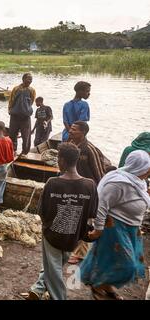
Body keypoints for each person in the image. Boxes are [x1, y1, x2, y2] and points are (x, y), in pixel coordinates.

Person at [27, 143, 99, 300]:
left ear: (63, 161)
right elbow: (91, 213)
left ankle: (58, 297)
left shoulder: (52, 183)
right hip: (74, 236)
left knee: (53, 268)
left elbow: (42, 212)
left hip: (52, 234)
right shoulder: (90, 185)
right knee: (55, 265)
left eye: (58, 158)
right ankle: (38, 289)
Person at [80, 150, 150, 300]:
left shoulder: (139, 181)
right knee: (128, 266)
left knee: (108, 259)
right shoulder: (118, 182)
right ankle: (99, 284)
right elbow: (101, 206)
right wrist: (98, 230)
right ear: (141, 167)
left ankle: (105, 285)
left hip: (131, 228)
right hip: (115, 228)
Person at [67, 121, 111, 264]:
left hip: (88, 190)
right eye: (71, 128)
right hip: (73, 188)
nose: (70, 131)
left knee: (85, 221)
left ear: (83, 133)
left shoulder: (89, 150)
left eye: (74, 130)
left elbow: (99, 174)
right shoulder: (70, 144)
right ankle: (74, 245)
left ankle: (81, 254)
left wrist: (98, 195)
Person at [8, 73, 36, 156]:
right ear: (23, 79)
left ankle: (24, 152)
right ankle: (13, 150)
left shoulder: (32, 90)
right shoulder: (16, 89)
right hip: (14, 116)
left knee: (26, 136)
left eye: (31, 79)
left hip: (25, 117)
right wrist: (10, 110)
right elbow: (11, 100)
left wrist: (25, 110)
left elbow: (31, 102)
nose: (30, 81)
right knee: (12, 134)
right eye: (28, 79)